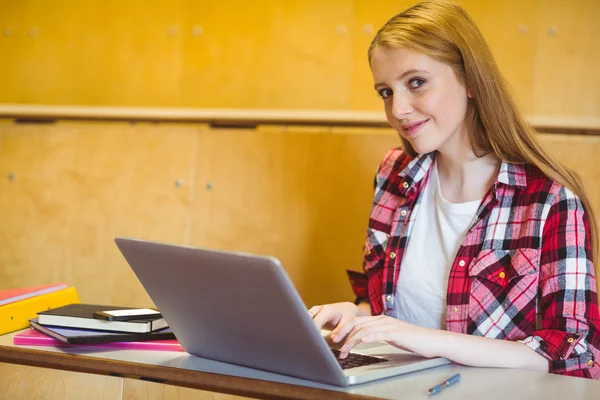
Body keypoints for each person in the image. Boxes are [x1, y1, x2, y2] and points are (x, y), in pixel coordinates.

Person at [308, 0, 600, 379]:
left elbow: (579, 354)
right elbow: (388, 308)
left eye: (416, 82)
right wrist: (358, 314)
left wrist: (433, 340)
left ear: (472, 82)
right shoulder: (395, 173)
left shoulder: (551, 201)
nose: (398, 109)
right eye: (385, 92)